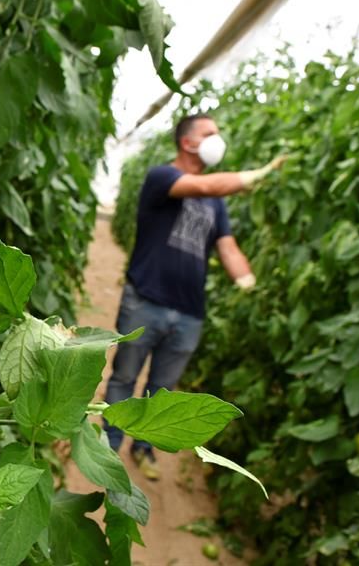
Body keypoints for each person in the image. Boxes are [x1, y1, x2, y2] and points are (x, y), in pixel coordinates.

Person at [104, 113, 285, 480]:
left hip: (189, 313)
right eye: (210, 133)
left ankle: (144, 448)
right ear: (188, 142)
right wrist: (257, 175)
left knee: (163, 391)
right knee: (125, 376)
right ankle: (106, 447)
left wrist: (249, 280)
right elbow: (204, 187)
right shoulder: (162, 177)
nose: (218, 140)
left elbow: (228, 247)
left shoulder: (217, 205)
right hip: (146, 300)